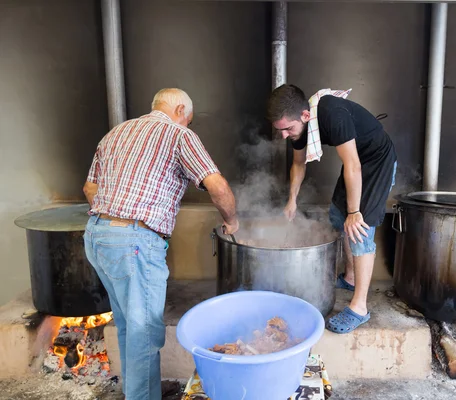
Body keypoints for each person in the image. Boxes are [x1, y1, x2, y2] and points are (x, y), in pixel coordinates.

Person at [82, 88, 238, 400]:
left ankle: (144, 390)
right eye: (189, 121)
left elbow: (89, 188)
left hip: (97, 236)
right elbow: (217, 185)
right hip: (135, 244)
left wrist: (116, 218)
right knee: (143, 334)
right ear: (181, 110)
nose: (188, 126)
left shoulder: (116, 132)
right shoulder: (178, 134)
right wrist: (232, 221)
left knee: (128, 327)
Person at [267, 84, 397, 334]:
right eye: (280, 130)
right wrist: (291, 200)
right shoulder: (299, 129)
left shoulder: (332, 114)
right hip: (357, 163)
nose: (284, 136)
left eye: (287, 129)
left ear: (305, 116)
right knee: (338, 216)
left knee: (360, 230)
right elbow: (298, 164)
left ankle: (359, 307)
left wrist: (355, 211)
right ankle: (349, 277)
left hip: (376, 162)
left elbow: (353, 166)